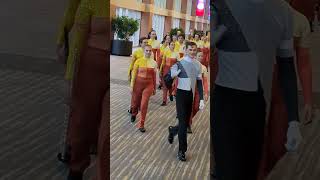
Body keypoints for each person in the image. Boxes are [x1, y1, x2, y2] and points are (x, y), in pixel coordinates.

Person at [211, 0, 302, 180]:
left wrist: (294, 121)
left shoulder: (283, 11)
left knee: (249, 172)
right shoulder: (221, 5)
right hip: (226, 101)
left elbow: (287, 65)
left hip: (256, 103)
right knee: (228, 171)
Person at [257, 4, 313, 180]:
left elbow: (303, 64)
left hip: (282, 92)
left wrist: (308, 101)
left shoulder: (299, 21)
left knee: (278, 147)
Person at [63, 0, 108, 179]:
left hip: (110, 73)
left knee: (105, 127)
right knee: (83, 118)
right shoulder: (92, 2)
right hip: (91, 69)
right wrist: (69, 79)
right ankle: (77, 167)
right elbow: (76, 45)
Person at [167, 41, 205, 161]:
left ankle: (173, 131)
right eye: (190, 49)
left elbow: (199, 82)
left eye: (194, 50)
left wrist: (202, 98)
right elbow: (166, 80)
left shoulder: (198, 64)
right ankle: (182, 151)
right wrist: (172, 76)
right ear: (185, 49)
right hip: (181, 95)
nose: (193, 52)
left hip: (191, 96)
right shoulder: (179, 63)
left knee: (185, 123)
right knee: (184, 124)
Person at [130, 45, 157, 133]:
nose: (148, 52)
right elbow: (134, 74)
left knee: (144, 104)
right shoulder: (138, 61)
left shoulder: (154, 63)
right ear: (144, 51)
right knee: (135, 103)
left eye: (150, 51)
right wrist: (131, 86)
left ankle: (141, 124)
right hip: (137, 84)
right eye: (147, 51)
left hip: (148, 85)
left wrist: (154, 88)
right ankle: (134, 113)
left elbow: (154, 76)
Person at [187, 51, 209, 134]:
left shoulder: (203, 68)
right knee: (190, 107)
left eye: (202, 56)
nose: (200, 57)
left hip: (198, 90)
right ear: (195, 57)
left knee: (196, 107)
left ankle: (186, 120)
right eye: (199, 56)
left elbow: (205, 81)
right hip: (189, 89)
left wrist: (206, 92)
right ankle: (188, 124)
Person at [127, 37, 149, 114]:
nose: (146, 44)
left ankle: (136, 106)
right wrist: (129, 74)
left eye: (147, 42)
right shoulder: (136, 52)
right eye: (144, 42)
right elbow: (131, 64)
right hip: (136, 75)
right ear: (140, 43)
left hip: (145, 77)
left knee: (141, 93)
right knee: (135, 93)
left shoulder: (149, 52)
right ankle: (132, 107)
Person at [160, 41, 180, 106]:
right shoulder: (166, 52)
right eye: (171, 44)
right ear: (169, 45)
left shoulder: (177, 53)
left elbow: (179, 63)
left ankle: (171, 93)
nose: (173, 46)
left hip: (172, 71)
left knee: (170, 84)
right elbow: (163, 62)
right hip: (165, 70)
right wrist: (160, 71)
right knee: (165, 85)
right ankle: (164, 101)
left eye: (174, 45)